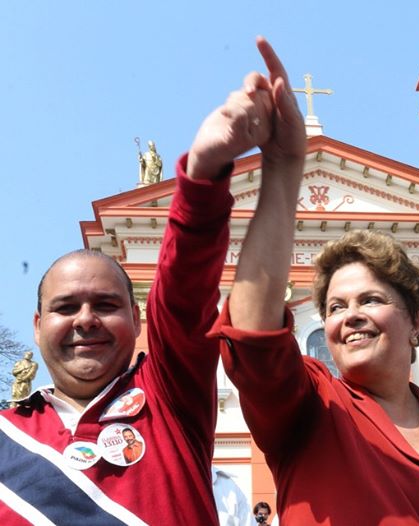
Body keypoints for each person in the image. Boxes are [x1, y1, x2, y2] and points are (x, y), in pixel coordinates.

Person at [208, 48, 419, 526]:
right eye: (334, 307)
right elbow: (253, 340)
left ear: (417, 319)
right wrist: (282, 168)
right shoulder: (312, 407)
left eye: (370, 300)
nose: (348, 315)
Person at [0, 38, 280, 524]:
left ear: (137, 318)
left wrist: (206, 172)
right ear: (38, 323)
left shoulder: (171, 399)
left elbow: (186, 290)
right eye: (66, 308)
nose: (86, 319)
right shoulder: (9, 434)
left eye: (105, 305)